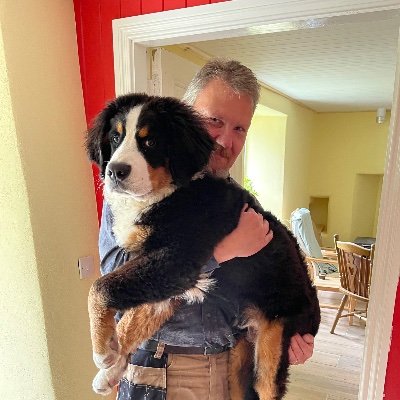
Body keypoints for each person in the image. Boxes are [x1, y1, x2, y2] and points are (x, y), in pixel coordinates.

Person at [99, 58, 314, 400]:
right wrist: (221, 252)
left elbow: (267, 286)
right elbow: (117, 275)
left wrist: (291, 336)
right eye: (214, 120)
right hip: (162, 368)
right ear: (185, 116)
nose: (224, 141)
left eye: (240, 128)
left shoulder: (234, 200)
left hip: (228, 367)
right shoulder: (139, 189)